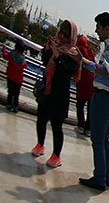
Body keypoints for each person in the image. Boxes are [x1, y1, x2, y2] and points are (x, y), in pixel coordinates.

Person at [75, 12, 109, 191]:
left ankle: (99, 179)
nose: (96, 31)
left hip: (103, 99)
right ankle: (108, 178)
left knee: (97, 140)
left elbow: (105, 70)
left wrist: (83, 61)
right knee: (104, 140)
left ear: (106, 28)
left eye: (98, 27)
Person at [31, 19, 81, 168]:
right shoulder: (55, 46)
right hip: (48, 88)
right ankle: (40, 144)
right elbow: (45, 62)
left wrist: (58, 56)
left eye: (66, 35)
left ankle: (56, 155)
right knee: (41, 118)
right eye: (61, 33)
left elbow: (67, 72)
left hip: (60, 93)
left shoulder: (74, 53)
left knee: (56, 125)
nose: (62, 37)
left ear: (72, 36)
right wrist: (48, 50)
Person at [73, 35, 96, 135]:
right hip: (91, 82)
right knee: (90, 107)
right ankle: (88, 128)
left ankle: (80, 125)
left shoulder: (78, 50)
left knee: (80, 105)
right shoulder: (91, 52)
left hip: (82, 81)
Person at [2, 39, 28, 112]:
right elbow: (25, 65)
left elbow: (5, 56)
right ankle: (15, 106)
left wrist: (4, 48)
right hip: (18, 79)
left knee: (10, 92)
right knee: (16, 94)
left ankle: (9, 104)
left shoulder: (12, 54)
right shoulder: (23, 59)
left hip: (10, 76)